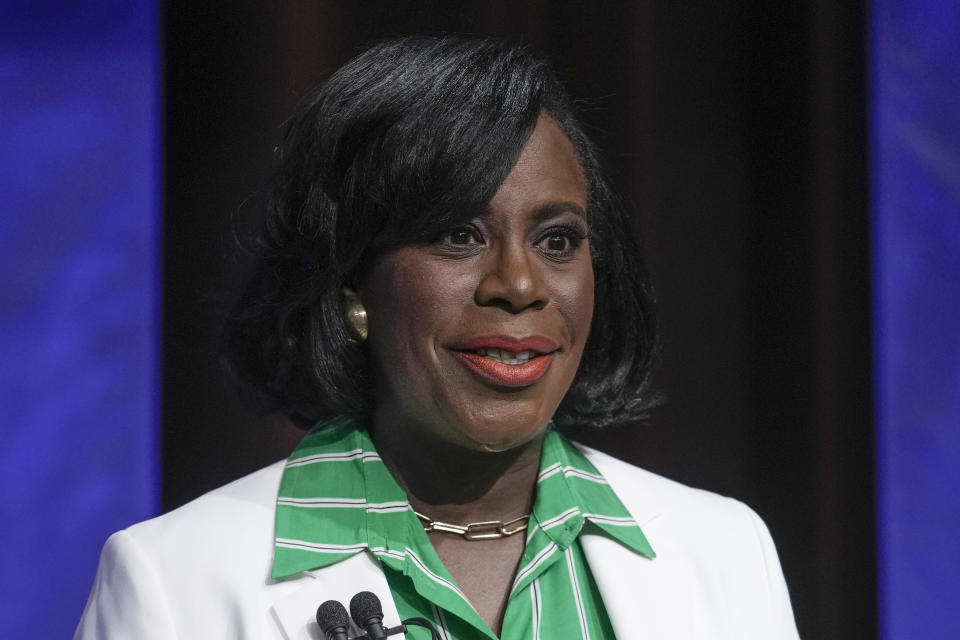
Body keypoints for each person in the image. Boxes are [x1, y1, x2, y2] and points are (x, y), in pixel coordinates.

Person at [76, 35, 800, 639]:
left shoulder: (725, 549)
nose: (519, 284)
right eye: (458, 235)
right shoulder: (172, 584)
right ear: (354, 280)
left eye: (557, 239)